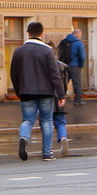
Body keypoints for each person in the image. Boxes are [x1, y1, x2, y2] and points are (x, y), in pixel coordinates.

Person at [10, 22, 65, 162]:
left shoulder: (18, 51)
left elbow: (14, 74)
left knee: (28, 120)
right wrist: (61, 94)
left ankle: (24, 137)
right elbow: (55, 74)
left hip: (26, 92)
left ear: (28, 33)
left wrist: (19, 91)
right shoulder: (48, 51)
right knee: (46, 121)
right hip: (46, 92)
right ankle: (47, 153)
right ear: (42, 34)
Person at [60, 28, 87, 106]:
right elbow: (82, 56)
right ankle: (78, 100)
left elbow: (59, 53)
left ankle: (60, 99)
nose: (80, 37)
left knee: (63, 83)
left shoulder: (63, 42)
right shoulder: (79, 43)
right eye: (80, 35)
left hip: (64, 65)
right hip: (75, 66)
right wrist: (81, 65)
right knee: (77, 84)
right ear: (77, 35)